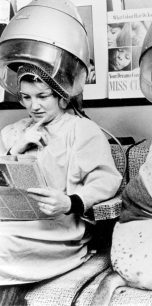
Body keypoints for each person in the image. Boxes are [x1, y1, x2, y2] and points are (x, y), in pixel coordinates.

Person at [0, 64, 122, 299]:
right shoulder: (11, 133)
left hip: (58, 229)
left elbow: (106, 179)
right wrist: (17, 148)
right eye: (26, 97)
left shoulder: (82, 130)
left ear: (61, 97)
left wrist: (70, 202)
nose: (33, 106)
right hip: (10, 221)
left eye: (42, 96)